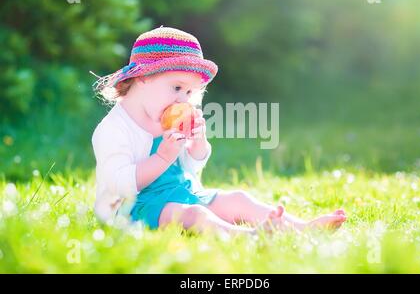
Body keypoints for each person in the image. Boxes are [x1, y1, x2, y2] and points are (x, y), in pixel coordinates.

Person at [91, 26, 346, 235]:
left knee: (237, 198)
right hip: (133, 208)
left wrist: (196, 146)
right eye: (177, 88)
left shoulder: (165, 113)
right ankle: (248, 237)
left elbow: (189, 170)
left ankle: (302, 228)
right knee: (195, 215)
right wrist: (163, 157)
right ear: (143, 77)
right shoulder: (115, 128)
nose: (183, 100)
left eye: (190, 92)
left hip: (180, 192)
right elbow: (120, 183)